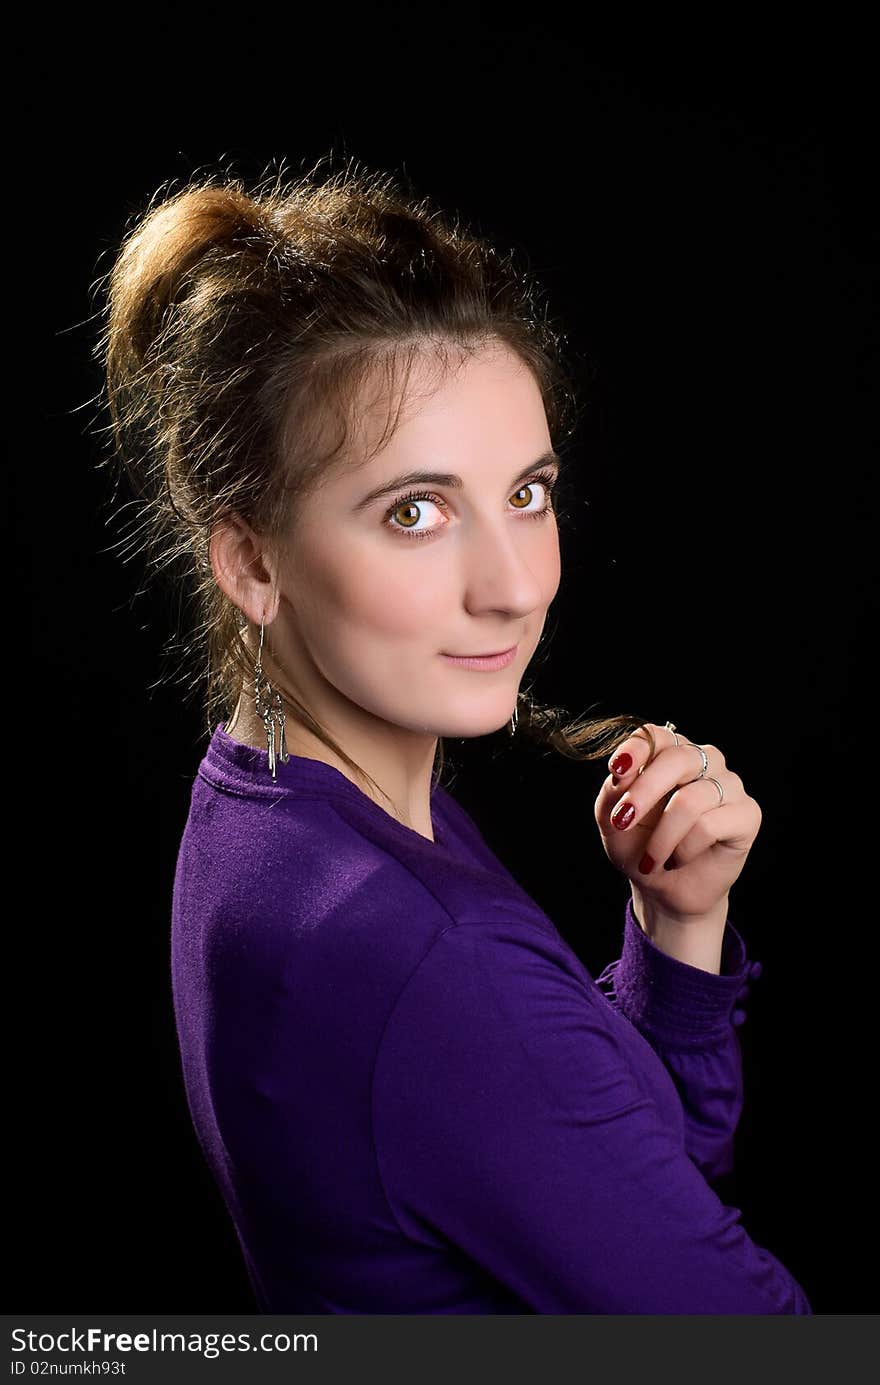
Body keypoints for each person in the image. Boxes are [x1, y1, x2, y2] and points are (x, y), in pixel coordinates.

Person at [96, 157, 812, 1314]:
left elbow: (609, 1164)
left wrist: (677, 924)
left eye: (525, 492)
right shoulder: (426, 954)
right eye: (415, 511)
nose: (515, 586)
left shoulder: (265, 799)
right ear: (251, 561)